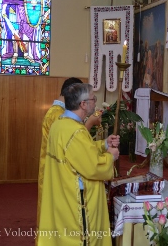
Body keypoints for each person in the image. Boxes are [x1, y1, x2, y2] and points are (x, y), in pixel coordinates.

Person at [37, 83, 119, 246]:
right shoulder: (75, 131)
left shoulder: (60, 124)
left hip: (62, 193)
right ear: (83, 104)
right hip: (77, 200)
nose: (95, 102)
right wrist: (111, 156)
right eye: (93, 99)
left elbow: (79, 152)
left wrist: (104, 145)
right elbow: (93, 167)